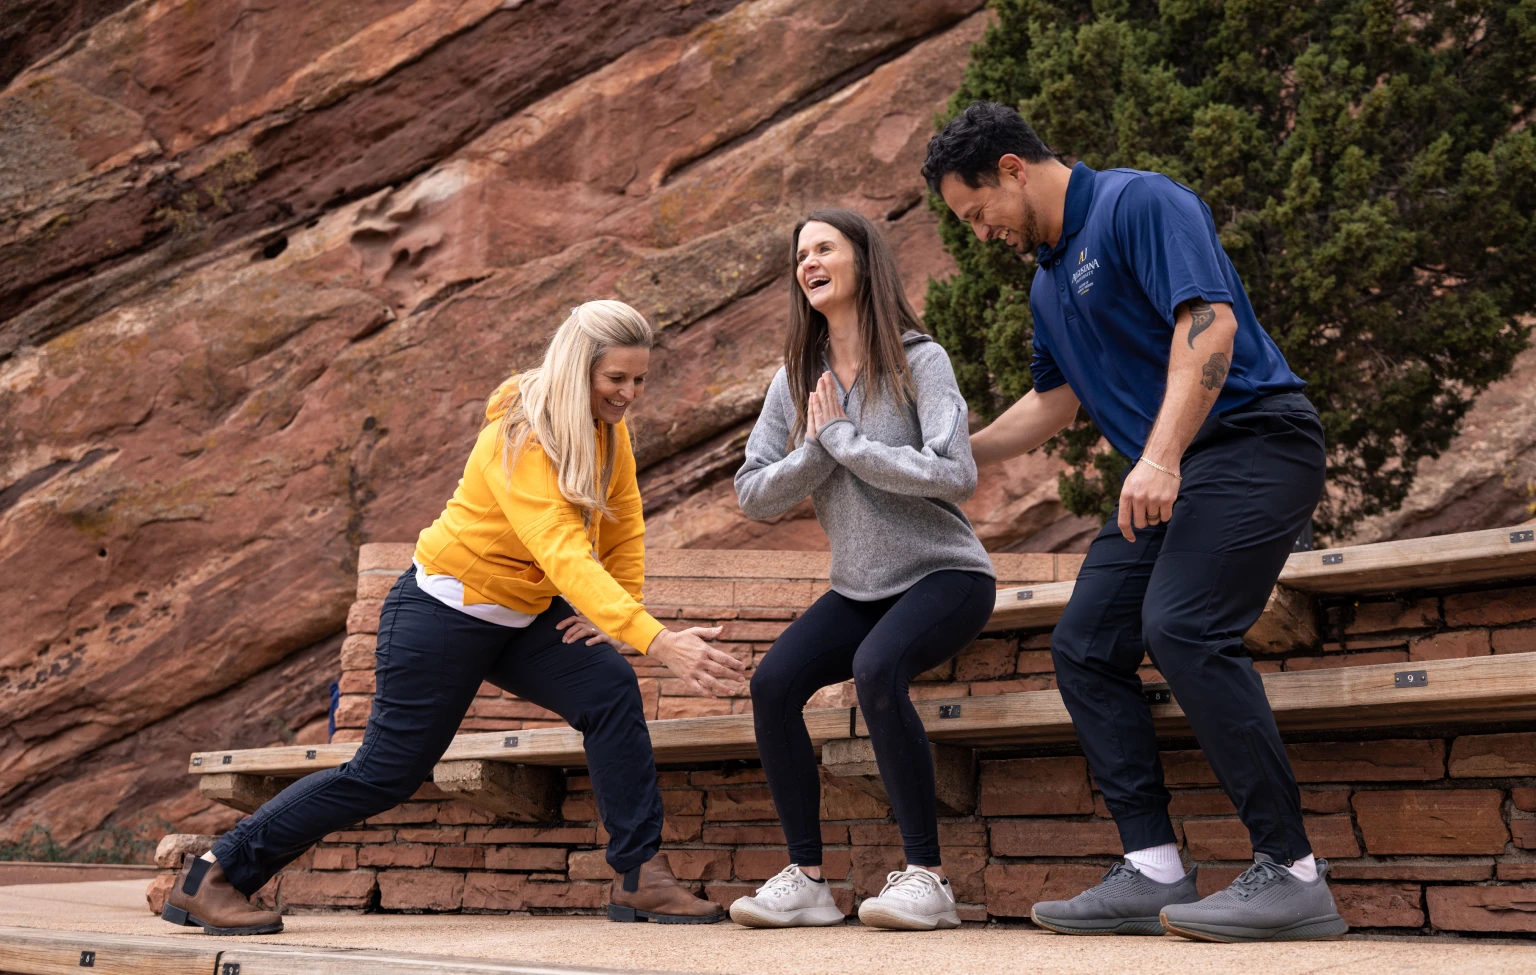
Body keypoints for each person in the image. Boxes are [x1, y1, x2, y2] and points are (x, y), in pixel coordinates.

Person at [161, 300, 746, 935]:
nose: (630, 394)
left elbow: (623, 518)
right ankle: (214, 875)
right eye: (616, 380)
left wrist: (618, 610)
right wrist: (655, 639)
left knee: (607, 689)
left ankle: (641, 877)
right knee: (387, 772)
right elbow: (560, 545)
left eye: (639, 380)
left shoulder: (608, 431)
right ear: (579, 371)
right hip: (443, 613)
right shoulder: (521, 436)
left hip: (523, 617)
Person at [921, 102, 1345, 943]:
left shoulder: (1138, 203)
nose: (979, 234)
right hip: (1173, 468)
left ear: (1011, 168)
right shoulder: (1048, 282)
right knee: (1083, 644)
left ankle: (1292, 872)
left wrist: (1158, 457)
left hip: (1254, 442)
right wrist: (950, 460)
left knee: (1183, 626)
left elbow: (1208, 321)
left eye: (977, 213)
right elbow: (1054, 400)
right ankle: (1151, 864)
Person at [730, 209, 997, 931]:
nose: (807, 261)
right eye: (799, 254)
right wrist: (818, 451)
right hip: (858, 584)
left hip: (945, 572)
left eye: (823, 247)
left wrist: (849, 443)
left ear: (862, 260)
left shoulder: (921, 359)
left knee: (876, 667)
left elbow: (956, 473)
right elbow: (751, 491)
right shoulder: (796, 381)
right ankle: (811, 880)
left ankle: (928, 877)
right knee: (773, 682)